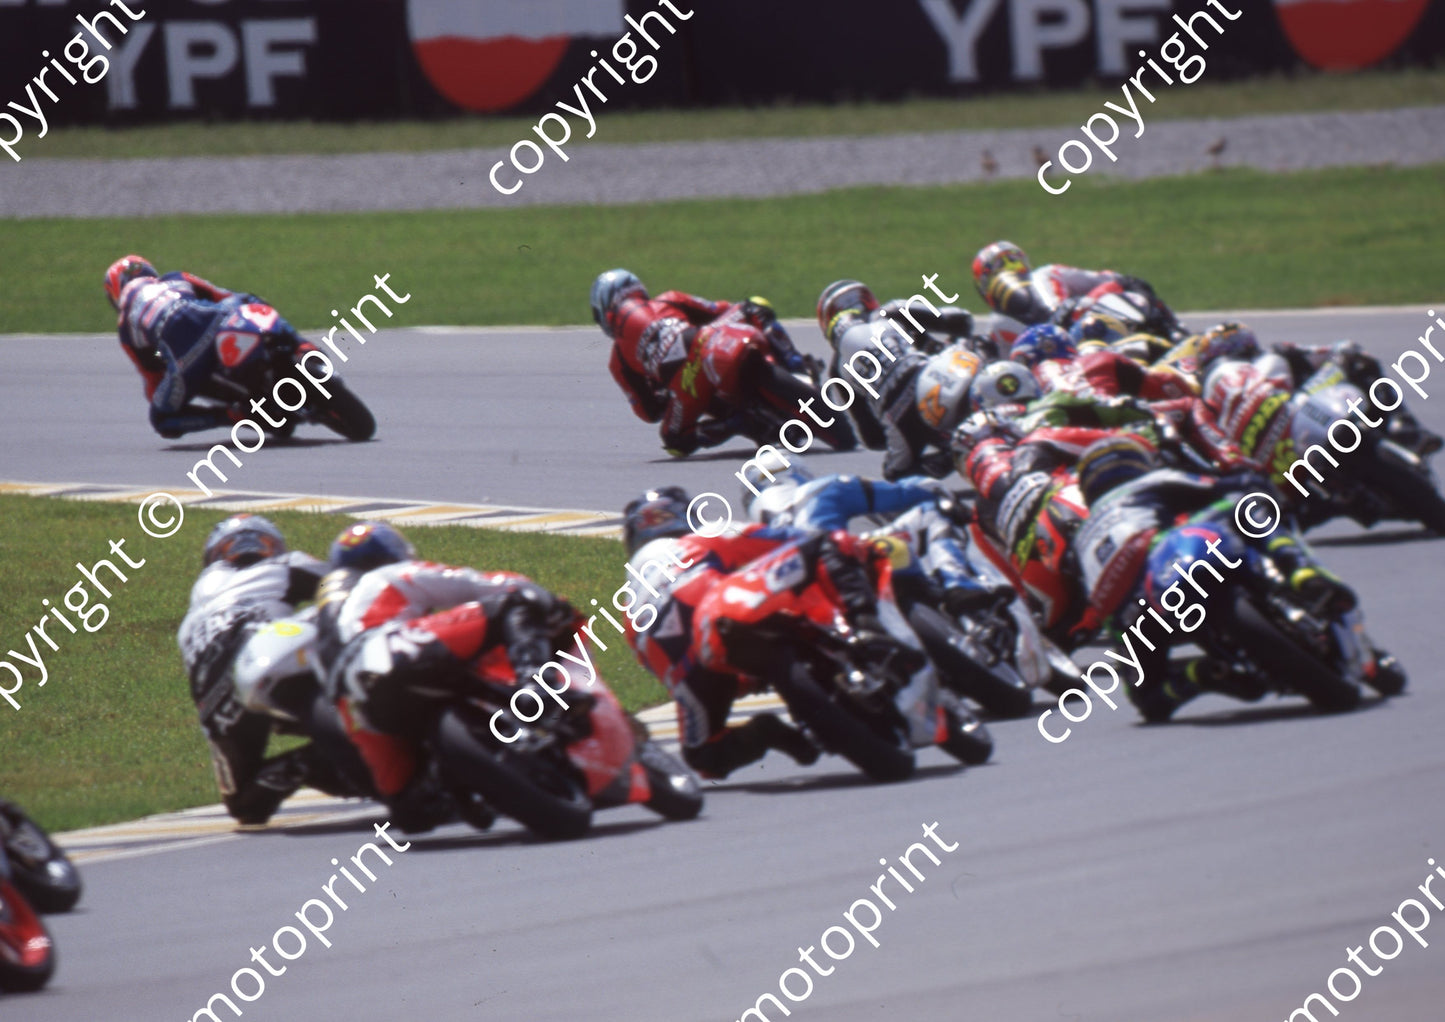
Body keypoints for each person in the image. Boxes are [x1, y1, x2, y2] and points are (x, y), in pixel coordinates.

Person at [1068, 435, 1371, 721]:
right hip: (1170, 557)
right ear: (1134, 463)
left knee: (1149, 700)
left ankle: (1201, 675)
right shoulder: (1148, 482)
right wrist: (1254, 482)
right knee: (1243, 503)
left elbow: (1093, 604)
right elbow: (1223, 486)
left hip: (1133, 618)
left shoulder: (1082, 536)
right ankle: (1298, 568)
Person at [320, 522, 586, 831]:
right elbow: (486, 585)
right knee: (515, 603)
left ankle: (454, 787)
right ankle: (537, 686)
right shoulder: (390, 576)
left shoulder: (328, 617)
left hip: (352, 700)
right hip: (392, 650)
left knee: (410, 807)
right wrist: (544, 600)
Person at [621, 487, 897, 779]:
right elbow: (796, 542)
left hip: (697, 670)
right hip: (736, 619)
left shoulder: (628, 604)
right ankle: (866, 625)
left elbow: (662, 667)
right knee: (818, 549)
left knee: (703, 757)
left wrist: (733, 681)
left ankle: (769, 733)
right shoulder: (706, 537)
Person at [177, 514, 367, 825]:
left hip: (215, 697)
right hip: (262, 645)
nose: (248, 549)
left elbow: (196, 675)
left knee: (245, 806)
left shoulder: (190, 621)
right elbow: (346, 583)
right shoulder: (281, 565)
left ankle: (296, 766)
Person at [590, 268, 809, 450]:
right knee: (755, 307)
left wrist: (663, 390)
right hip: (707, 341)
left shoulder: (618, 360)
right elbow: (720, 309)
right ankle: (796, 365)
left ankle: (737, 422)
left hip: (687, 383)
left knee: (674, 441)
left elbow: (649, 412)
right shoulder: (669, 299)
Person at [816, 279, 976, 477]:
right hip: (934, 380)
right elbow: (960, 320)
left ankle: (949, 456)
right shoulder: (892, 311)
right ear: (866, 300)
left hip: (897, 418)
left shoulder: (836, 373)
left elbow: (872, 438)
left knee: (895, 473)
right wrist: (944, 348)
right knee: (979, 348)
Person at [104, 254, 270, 439]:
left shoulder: (126, 326)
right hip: (215, 320)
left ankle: (232, 415)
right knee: (249, 301)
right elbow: (223, 295)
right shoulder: (176, 278)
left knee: (161, 418)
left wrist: (166, 389)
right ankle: (296, 346)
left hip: (187, 358)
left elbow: (152, 380)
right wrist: (255, 304)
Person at [971, 240, 1180, 339]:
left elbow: (1113, 280)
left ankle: (1175, 330)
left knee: (1132, 287)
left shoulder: (1046, 274)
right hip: (1056, 354)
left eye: (1011, 262)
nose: (1009, 272)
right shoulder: (996, 326)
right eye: (999, 268)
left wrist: (1069, 311)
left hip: (1087, 322)